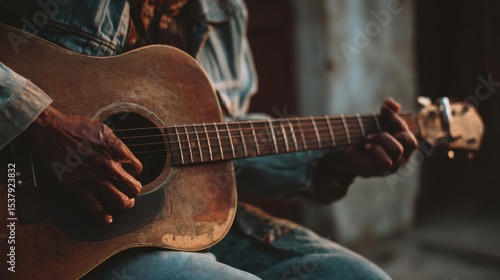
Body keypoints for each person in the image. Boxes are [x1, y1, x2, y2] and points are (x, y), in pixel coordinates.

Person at [0, 0, 417, 279]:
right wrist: (41, 122)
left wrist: (335, 163)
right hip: (52, 238)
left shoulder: (225, 12)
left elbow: (219, 143)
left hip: (174, 226)